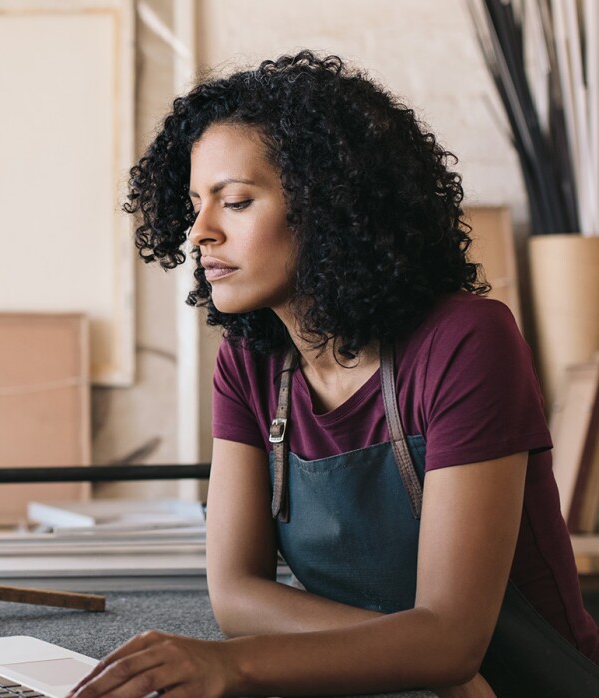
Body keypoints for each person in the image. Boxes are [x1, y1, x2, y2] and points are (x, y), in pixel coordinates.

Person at [67, 51, 599, 698]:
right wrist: (421, 660)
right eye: (194, 205)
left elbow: (456, 637)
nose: (201, 232)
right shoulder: (248, 364)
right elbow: (236, 596)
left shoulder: (466, 341)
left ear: (327, 207)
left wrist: (232, 665)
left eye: (234, 202)